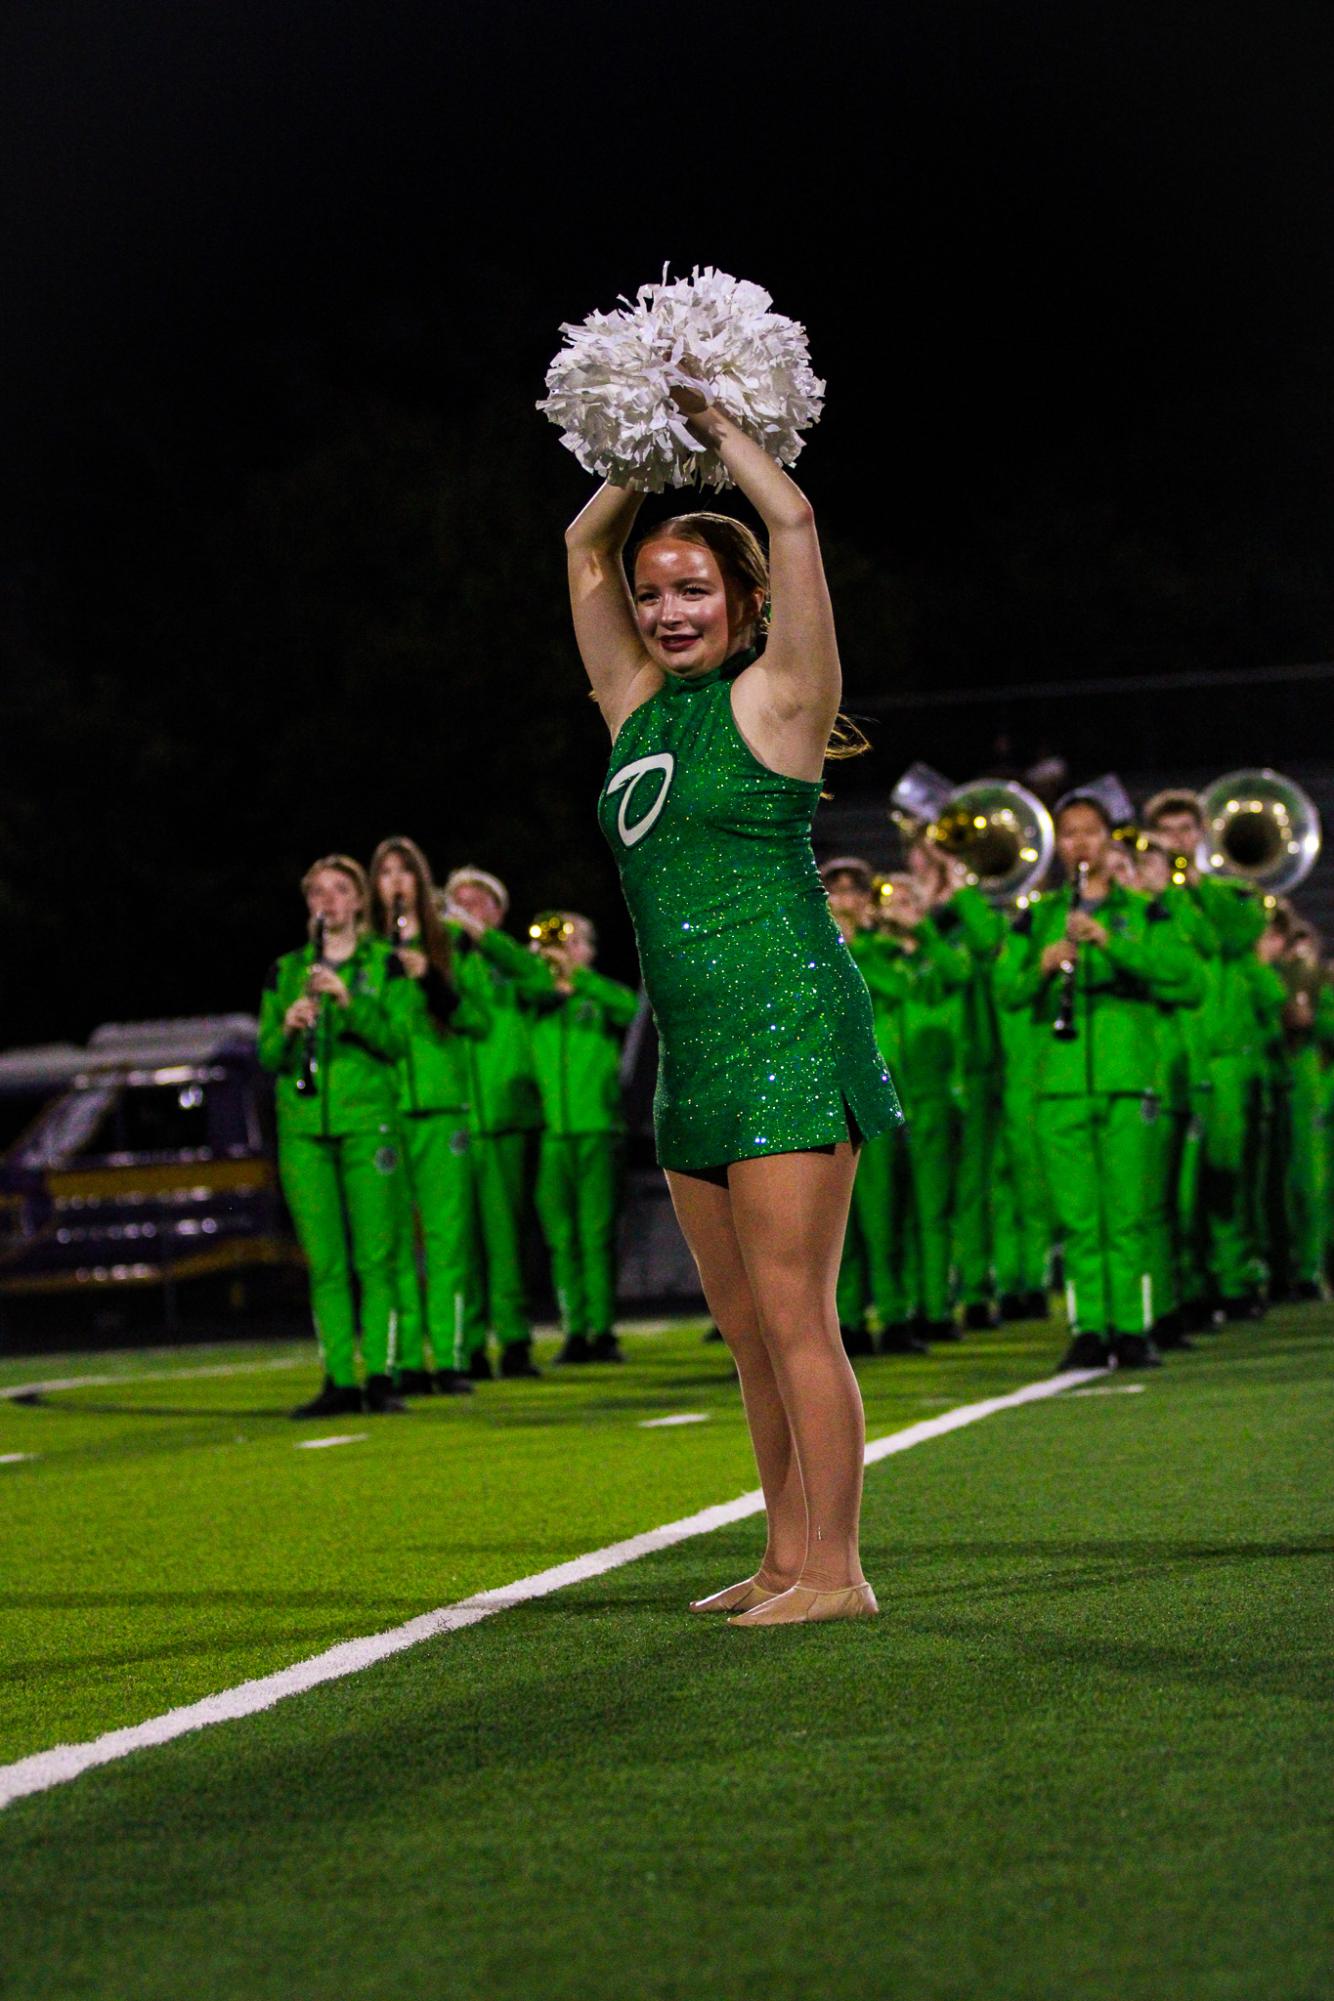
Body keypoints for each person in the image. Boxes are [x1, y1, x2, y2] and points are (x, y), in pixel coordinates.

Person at [564, 380, 902, 1626]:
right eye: (652, 594)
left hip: (788, 1030)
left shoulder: (780, 699)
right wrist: (634, 442)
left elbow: (798, 522)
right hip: (694, 1052)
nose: (662, 610)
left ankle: (836, 1570)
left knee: (793, 1311)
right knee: (744, 1332)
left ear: (745, 603)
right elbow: (579, 546)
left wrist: (720, 434)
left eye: (692, 590)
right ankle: (778, 1556)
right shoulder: (634, 713)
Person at [994, 789, 1203, 1371]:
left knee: (1128, 1214)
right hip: (1059, 1084)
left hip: (1128, 1080)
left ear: (1109, 838)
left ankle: (1132, 1329)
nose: (1080, 843)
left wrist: (1113, 946)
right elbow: (1004, 992)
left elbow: (1188, 979)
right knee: (1080, 1218)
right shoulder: (1037, 916)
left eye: (1090, 831)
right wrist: (1041, 964)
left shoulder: (1144, 912)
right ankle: (1090, 1329)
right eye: (1070, 833)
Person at [259, 855, 409, 1417]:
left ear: (358, 902)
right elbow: (267, 1054)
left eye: (339, 890)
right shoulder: (285, 970)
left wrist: (348, 1003)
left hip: (368, 1121)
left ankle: (383, 1375)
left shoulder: (384, 965)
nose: (328, 902)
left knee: (375, 1258)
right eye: (317, 893)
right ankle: (340, 1379)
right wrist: (289, 1025)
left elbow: (397, 1040)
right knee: (324, 1263)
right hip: (303, 1127)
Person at [370, 835, 488, 1397]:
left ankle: (449, 1356)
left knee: (445, 1242)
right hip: (385, 1112)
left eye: (404, 872)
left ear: (420, 880)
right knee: (392, 1242)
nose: (395, 882)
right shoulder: (368, 952)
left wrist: (431, 979)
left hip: (443, 1109)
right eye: (385, 872)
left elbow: (479, 1021)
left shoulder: (451, 946)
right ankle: (403, 1362)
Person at [440, 866, 554, 1380]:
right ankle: (463, 1346)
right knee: (458, 1241)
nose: (465, 909)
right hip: (453, 1115)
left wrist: (485, 940)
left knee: (505, 1240)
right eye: (457, 901)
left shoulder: (511, 962)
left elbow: (542, 983)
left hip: (505, 1115)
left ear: (498, 912)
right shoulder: (443, 959)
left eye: (478, 902)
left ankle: (512, 1341)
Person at [527, 911, 639, 1363]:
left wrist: (580, 979)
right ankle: (574, 1329)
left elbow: (632, 1011)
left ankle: (603, 1330)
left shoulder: (599, 996)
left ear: (590, 951)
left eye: (575, 942)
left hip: (599, 1128)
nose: (566, 950)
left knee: (596, 1235)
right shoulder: (537, 1001)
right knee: (562, 1239)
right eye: (560, 943)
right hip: (553, 1134)